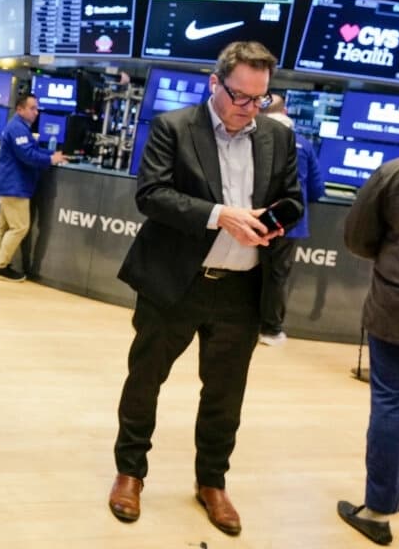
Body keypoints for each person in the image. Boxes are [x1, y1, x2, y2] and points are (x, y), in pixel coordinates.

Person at [109, 41, 302, 536]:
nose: (249, 108)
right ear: (215, 83)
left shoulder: (277, 138)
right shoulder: (174, 127)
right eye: (240, 96)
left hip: (242, 289)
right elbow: (151, 195)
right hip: (175, 282)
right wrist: (221, 216)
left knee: (225, 394)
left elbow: (293, 199)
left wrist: (274, 222)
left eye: (259, 98)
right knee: (145, 379)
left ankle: (212, 481)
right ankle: (130, 471)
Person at [337, 155, 399, 546]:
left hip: (398, 304)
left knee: (391, 403)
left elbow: (357, 236)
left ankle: (378, 511)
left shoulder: (396, 172)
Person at [257, 94, 325, 346]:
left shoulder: (254, 136)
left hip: (254, 217)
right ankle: (270, 330)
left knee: (247, 272)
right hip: (289, 222)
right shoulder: (303, 144)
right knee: (277, 276)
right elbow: (317, 188)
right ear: (285, 111)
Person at [0, 92, 65, 282]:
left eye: (37, 108)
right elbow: (28, 155)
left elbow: (32, 149)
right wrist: (50, 159)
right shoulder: (17, 128)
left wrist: (50, 154)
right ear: (20, 109)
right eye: (32, 108)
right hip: (15, 186)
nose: (36, 112)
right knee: (20, 227)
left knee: (3, 226)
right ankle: (1, 267)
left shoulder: (19, 127)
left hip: (10, 185)